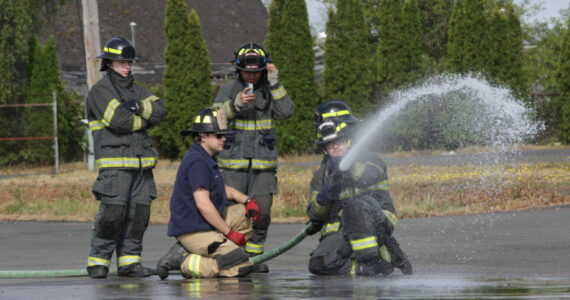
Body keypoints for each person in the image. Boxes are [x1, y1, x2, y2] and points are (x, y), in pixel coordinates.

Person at [85, 36, 167, 278]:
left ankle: (130, 263)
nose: (127, 67)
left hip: (142, 164)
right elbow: (119, 121)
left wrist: (139, 108)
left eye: (129, 62)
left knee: (138, 215)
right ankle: (98, 262)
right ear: (109, 63)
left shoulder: (138, 89)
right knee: (112, 214)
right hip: (115, 165)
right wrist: (145, 119)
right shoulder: (100, 91)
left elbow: (161, 111)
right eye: (122, 62)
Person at [305, 100, 413, 276]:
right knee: (319, 264)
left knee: (355, 206)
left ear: (349, 139)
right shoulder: (321, 175)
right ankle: (368, 267)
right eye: (330, 145)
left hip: (375, 223)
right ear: (324, 147)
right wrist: (324, 197)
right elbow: (313, 215)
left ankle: (374, 259)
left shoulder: (369, 159)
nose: (335, 147)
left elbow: (370, 175)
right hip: (342, 231)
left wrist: (348, 167)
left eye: (339, 142)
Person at [213, 42, 293, 272]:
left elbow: (286, 112)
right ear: (238, 69)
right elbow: (214, 119)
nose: (252, 75)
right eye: (247, 71)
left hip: (263, 167)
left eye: (257, 71)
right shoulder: (227, 90)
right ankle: (231, 257)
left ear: (265, 69)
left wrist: (275, 83)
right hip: (232, 166)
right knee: (230, 214)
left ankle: (254, 259)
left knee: (263, 212)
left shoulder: (270, 90)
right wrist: (235, 105)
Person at [156, 108, 261, 279]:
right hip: (195, 229)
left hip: (206, 224)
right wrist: (229, 232)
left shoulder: (207, 157)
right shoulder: (197, 162)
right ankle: (183, 261)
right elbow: (203, 205)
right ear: (203, 136)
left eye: (224, 135)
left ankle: (210, 250)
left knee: (246, 214)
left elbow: (221, 189)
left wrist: (248, 201)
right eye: (218, 135)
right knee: (241, 266)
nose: (224, 139)